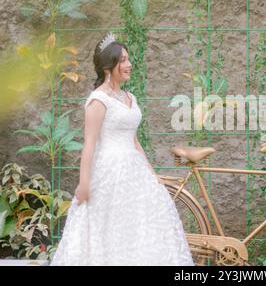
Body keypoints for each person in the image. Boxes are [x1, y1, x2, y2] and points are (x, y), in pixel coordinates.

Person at [50, 33, 194, 266]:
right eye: (123, 60)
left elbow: (135, 141)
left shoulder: (130, 97)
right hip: (109, 173)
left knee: (140, 228)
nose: (129, 64)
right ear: (108, 66)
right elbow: (89, 144)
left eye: (128, 59)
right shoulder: (98, 100)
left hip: (134, 172)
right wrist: (84, 184)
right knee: (111, 229)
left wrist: (151, 173)